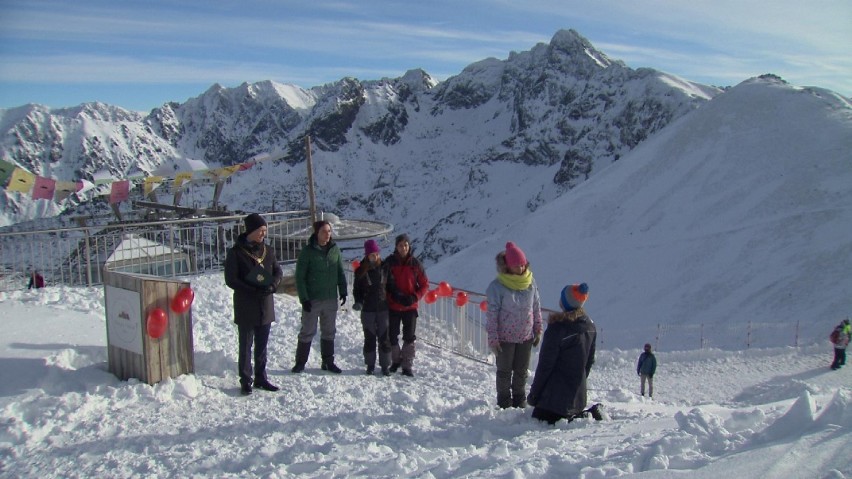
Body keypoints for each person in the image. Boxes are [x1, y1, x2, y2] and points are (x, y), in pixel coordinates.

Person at [224, 213, 283, 396]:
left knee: (262, 344)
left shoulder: (268, 250)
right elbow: (231, 279)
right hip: (246, 304)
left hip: (265, 304)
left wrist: (273, 285)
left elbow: (278, 271)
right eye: (260, 231)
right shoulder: (236, 253)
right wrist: (251, 289)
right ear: (251, 231)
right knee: (246, 344)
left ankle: (261, 377)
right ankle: (245, 379)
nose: (263, 234)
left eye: (265, 231)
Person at [528, 283, 596, 425]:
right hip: (578, 400)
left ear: (564, 302)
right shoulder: (590, 327)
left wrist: (534, 396)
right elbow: (588, 363)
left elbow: (545, 366)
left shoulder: (557, 329)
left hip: (553, 402)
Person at [485, 242, 543, 409]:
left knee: (521, 371)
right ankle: (504, 401)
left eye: (523, 264)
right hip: (505, 338)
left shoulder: (531, 283)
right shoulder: (497, 287)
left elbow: (536, 307)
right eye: (517, 265)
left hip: (525, 336)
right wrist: (493, 339)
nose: (521, 268)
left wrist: (538, 329)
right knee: (504, 371)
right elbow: (492, 315)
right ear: (508, 267)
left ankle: (519, 399)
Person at [292, 220, 348, 374]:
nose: (327, 234)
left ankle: (328, 362)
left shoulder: (334, 250)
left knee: (329, 331)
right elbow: (300, 277)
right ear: (316, 233)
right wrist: (304, 298)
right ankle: (300, 362)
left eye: (329, 231)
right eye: (324, 231)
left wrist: (343, 290)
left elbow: (340, 271)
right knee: (308, 330)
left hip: (330, 298)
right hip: (313, 298)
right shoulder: (308, 251)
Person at [385, 234, 429, 377]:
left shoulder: (415, 264)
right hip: (393, 305)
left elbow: (424, 284)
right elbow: (384, 283)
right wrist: (393, 296)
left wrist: (415, 297)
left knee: (409, 337)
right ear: (396, 247)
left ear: (409, 246)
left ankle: (407, 365)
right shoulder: (390, 262)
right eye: (400, 245)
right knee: (392, 335)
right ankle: (396, 360)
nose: (403, 248)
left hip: (410, 307)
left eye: (405, 245)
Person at [352, 239, 392, 376]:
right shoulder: (360, 271)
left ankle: (385, 365)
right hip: (368, 309)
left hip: (383, 309)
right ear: (367, 255)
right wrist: (358, 301)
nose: (374, 256)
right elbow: (357, 290)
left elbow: (391, 286)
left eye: (375, 253)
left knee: (384, 337)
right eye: (371, 254)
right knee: (369, 338)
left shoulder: (385, 268)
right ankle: (370, 364)